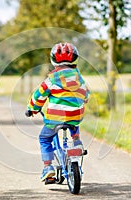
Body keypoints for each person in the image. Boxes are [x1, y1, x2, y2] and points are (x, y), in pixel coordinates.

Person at [26, 42, 90, 182]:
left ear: (53, 61)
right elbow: (86, 92)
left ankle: (48, 167)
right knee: (73, 120)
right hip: (75, 116)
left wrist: (33, 108)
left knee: (45, 138)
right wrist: (84, 99)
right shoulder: (78, 78)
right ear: (75, 59)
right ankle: (76, 140)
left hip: (55, 119)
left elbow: (39, 96)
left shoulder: (51, 79)